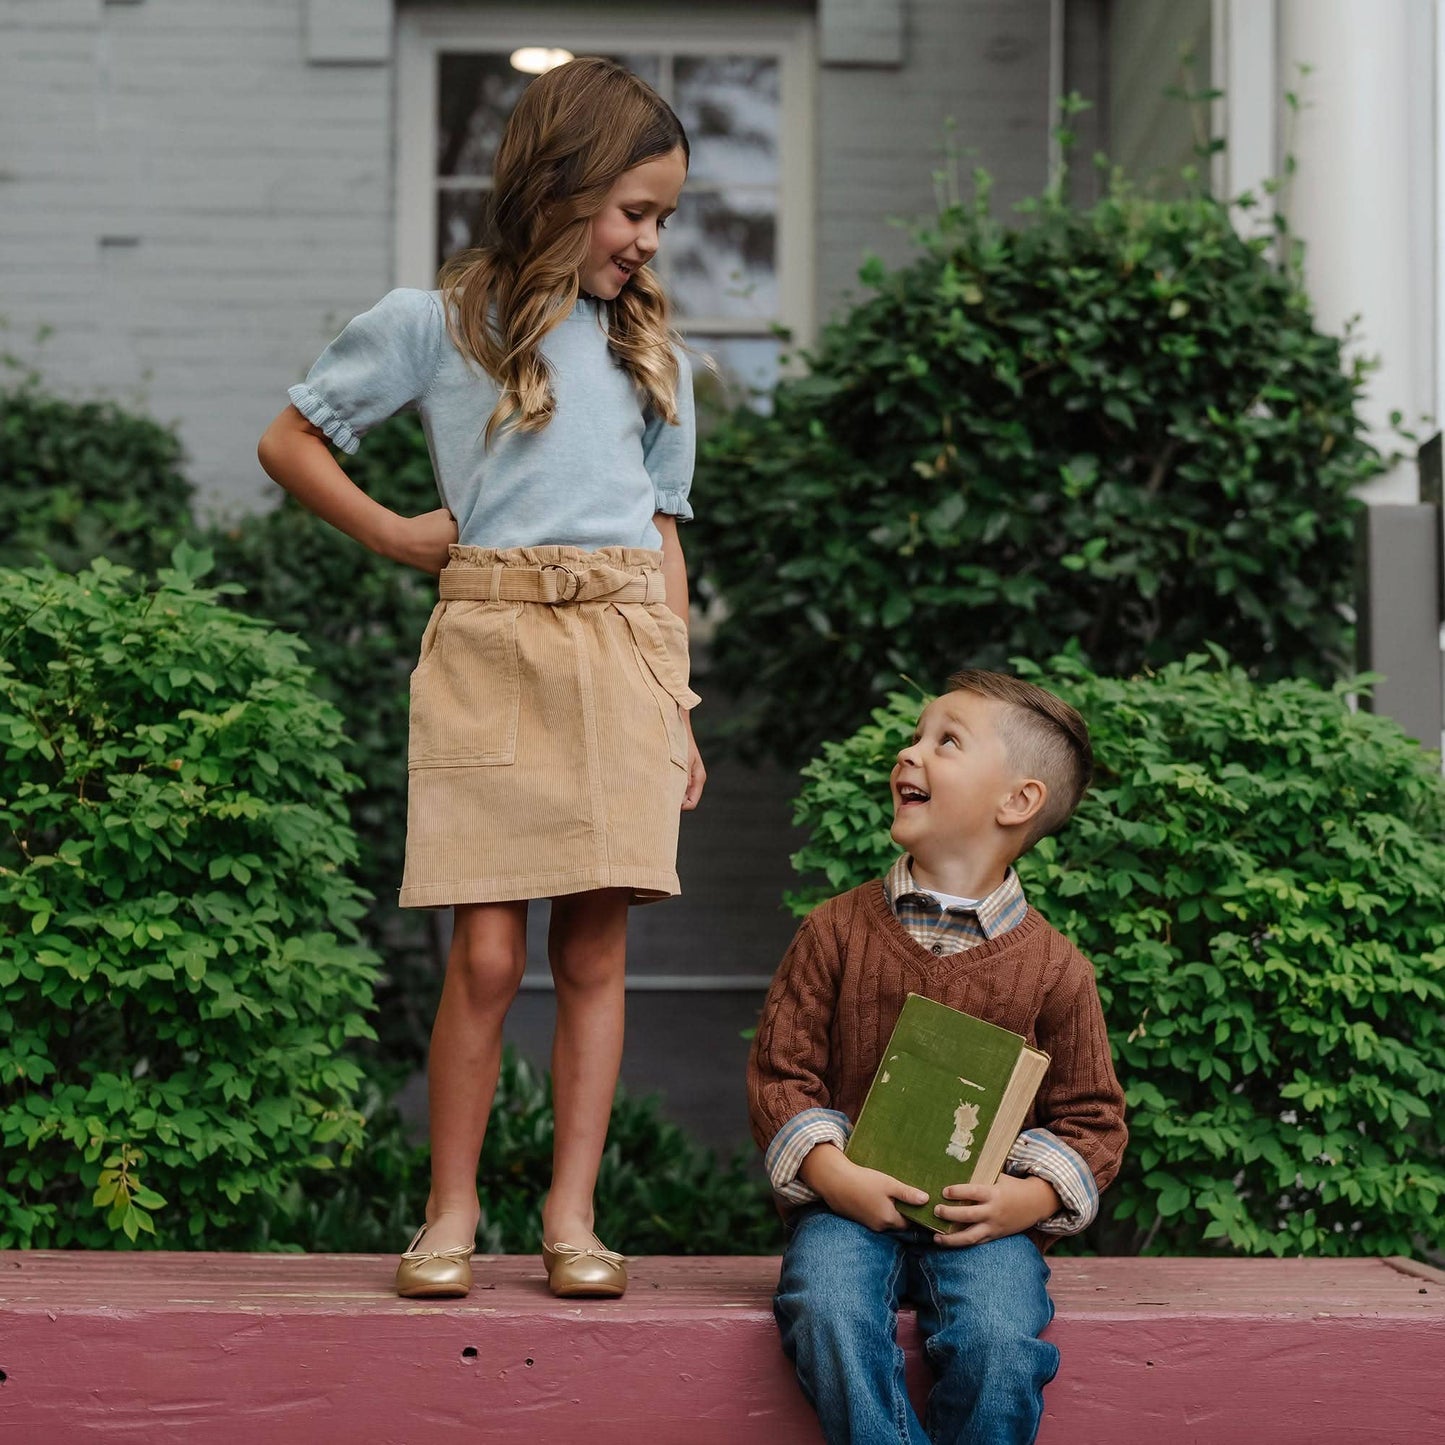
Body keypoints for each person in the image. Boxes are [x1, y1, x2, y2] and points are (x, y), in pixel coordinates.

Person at [257, 58, 704, 1302]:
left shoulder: (650, 351)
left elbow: (663, 538)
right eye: (632, 210)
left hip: (618, 648)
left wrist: (677, 703)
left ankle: (571, 1214)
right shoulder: (437, 321)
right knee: (489, 957)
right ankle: (449, 1206)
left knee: (598, 954)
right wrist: (398, 532)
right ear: (556, 186)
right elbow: (289, 437)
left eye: (662, 217)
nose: (648, 239)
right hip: (490, 643)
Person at [747, 670, 1127, 1444]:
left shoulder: (1056, 968)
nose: (908, 752)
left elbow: (1093, 1120)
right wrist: (831, 1175)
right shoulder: (835, 931)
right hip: (847, 1211)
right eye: (915, 734)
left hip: (979, 1223)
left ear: (1016, 801)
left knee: (998, 1341)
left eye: (943, 740)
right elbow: (781, 1074)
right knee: (825, 1307)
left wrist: (1024, 1201)